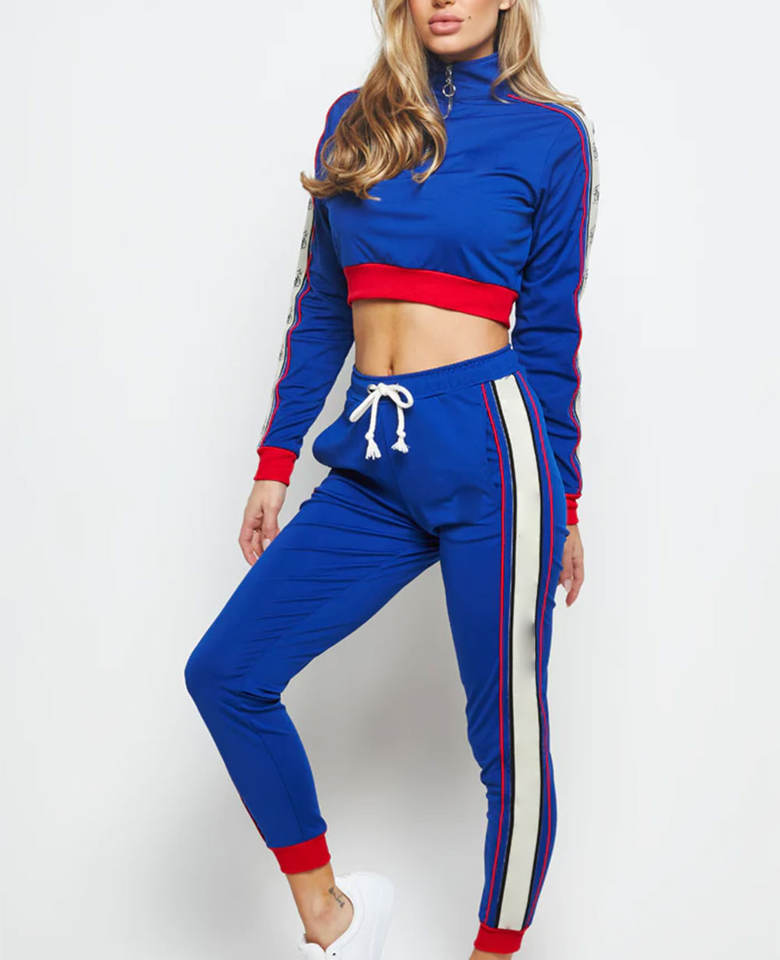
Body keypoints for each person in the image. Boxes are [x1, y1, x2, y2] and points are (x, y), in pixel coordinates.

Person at [184, 0, 599, 957]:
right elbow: (322, 307)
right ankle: (334, 916)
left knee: (506, 742)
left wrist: (564, 497)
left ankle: (493, 951)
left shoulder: (552, 137)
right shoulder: (355, 120)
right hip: (375, 452)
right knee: (228, 672)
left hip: (494, 455)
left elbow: (551, 333)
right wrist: (276, 460)